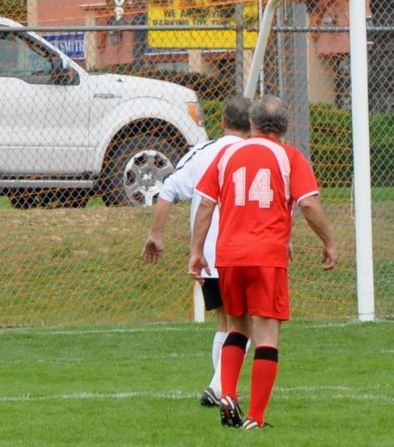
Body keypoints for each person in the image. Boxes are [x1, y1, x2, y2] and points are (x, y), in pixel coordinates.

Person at [189, 95, 337, 429]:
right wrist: (328, 242)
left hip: (228, 256)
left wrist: (196, 252)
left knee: (237, 327)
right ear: (285, 126)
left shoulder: (227, 155)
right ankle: (255, 417)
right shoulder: (289, 156)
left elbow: (206, 204)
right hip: (267, 256)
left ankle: (228, 394)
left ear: (253, 123)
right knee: (267, 336)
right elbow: (309, 204)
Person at [143, 96, 252, 408]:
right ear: (252, 124)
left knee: (224, 322)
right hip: (244, 250)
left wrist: (155, 234)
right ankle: (219, 387)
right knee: (244, 324)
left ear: (222, 122)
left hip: (208, 254)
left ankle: (221, 388)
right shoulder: (257, 154)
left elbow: (168, 189)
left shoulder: (202, 153)